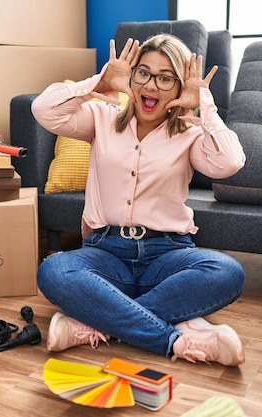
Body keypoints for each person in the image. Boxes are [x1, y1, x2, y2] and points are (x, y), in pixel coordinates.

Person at [31, 34, 247, 366]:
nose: (152, 85)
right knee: (53, 270)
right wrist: (101, 81)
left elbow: (229, 162)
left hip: (168, 254)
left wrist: (204, 104)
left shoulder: (189, 135)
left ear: (178, 88)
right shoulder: (102, 117)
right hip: (106, 252)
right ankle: (174, 337)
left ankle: (91, 321)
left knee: (227, 272)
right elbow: (43, 109)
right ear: (131, 77)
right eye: (143, 73)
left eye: (165, 78)